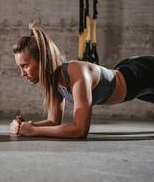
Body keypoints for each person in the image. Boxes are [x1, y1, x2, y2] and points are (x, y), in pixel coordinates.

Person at [10, 23, 154, 139]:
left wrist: (34, 131)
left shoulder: (77, 73)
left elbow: (80, 130)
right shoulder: (53, 81)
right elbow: (53, 122)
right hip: (134, 83)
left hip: (143, 73)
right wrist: (26, 126)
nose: (22, 73)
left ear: (42, 60)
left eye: (25, 66)